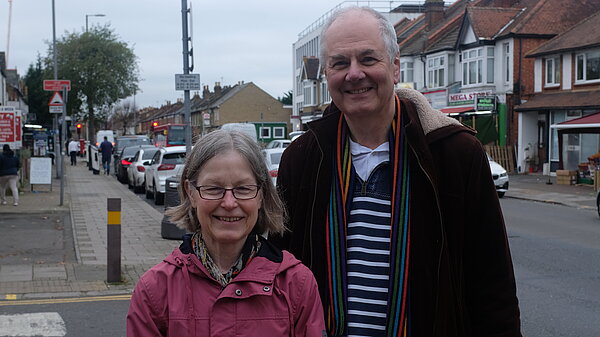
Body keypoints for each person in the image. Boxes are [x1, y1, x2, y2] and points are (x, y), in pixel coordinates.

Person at [273, 7, 522, 337]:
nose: (354, 73)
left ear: (394, 65)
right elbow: (277, 274)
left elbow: (492, 283)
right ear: (327, 74)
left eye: (368, 59)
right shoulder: (303, 158)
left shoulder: (454, 153)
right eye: (340, 63)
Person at [126, 130, 325, 337]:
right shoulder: (156, 290)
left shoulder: (296, 284)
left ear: (261, 195)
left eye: (243, 189)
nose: (229, 203)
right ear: (191, 193)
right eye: (213, 189)